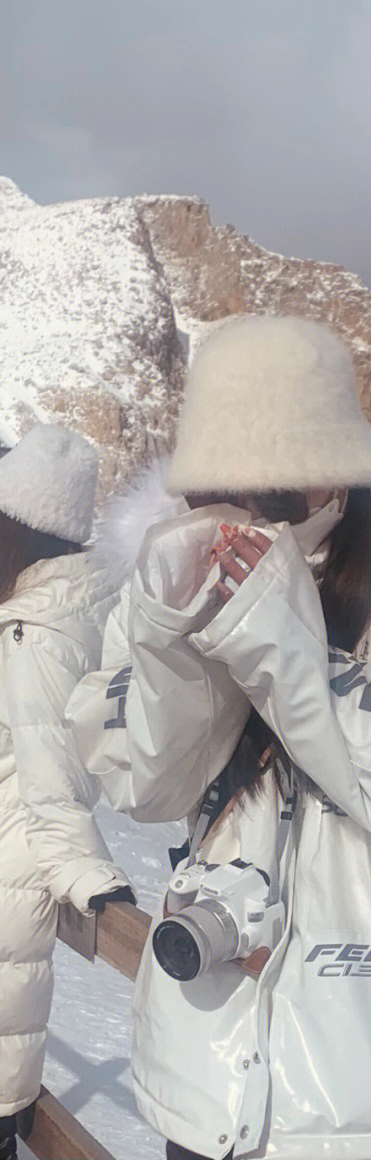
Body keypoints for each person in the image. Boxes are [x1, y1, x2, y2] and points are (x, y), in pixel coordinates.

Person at [67, 317, 371, 1160]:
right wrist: (165, 637)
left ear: (339, 482)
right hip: (213, 1096)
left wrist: (281, 637)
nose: (249, 525)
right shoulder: (178, 576)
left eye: (280, 500)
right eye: (218, 497)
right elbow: (147, 787)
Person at [0, 426, 134, 1160]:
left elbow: (54, 780)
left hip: (9, 901)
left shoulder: (36, 632)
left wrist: (94, 881)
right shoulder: (63, 608)